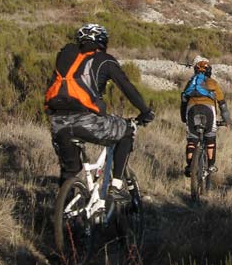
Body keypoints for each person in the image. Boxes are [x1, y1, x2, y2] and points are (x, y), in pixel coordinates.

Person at [45, 23, 154, 201]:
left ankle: (64, 219)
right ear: (103, 41)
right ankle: (116, 187)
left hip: (58, 123)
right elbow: (127, 88)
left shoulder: (66, 61)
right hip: (87, 121)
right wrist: (145, 111)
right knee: (127, 131)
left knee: (70, 171)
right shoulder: (105, 59)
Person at [180, 56, 230, 177]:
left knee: (192, 139)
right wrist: (226, 120)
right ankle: (211, 165)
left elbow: (183, 101)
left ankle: (190, 166)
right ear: (209, 71)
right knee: (210, 138)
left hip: (191, 110)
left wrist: (183, 118)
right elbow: (222, 104)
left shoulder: (190, 83)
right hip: (208, 110)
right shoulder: (213, 83)